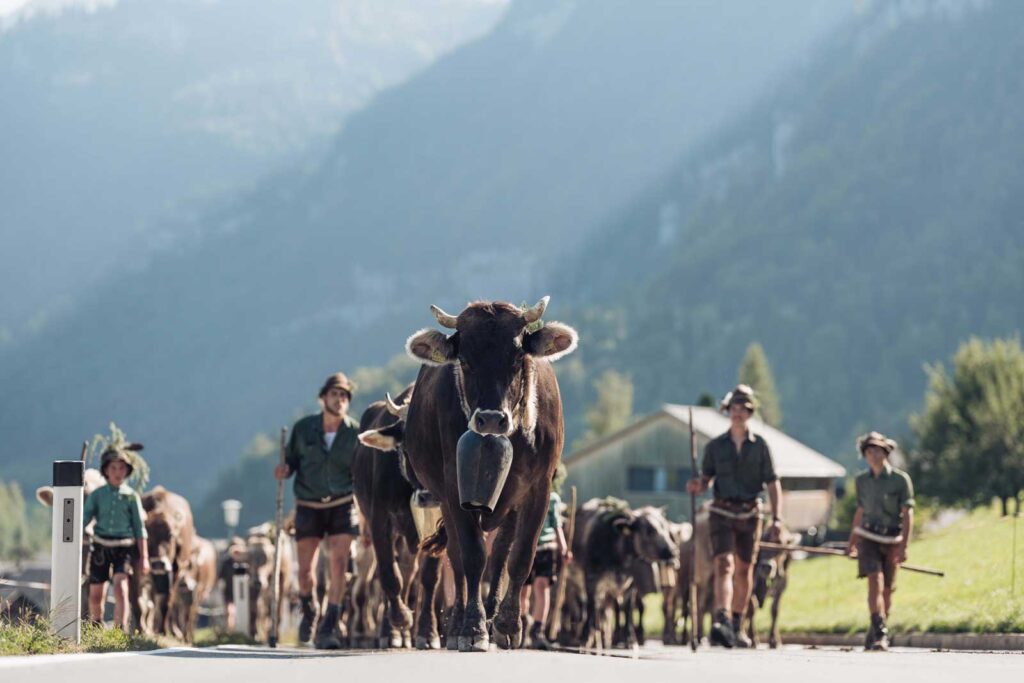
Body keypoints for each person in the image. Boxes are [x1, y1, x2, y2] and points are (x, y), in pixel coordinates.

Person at [687, 384, 783, 648]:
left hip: (751, 513)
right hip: (721, 512)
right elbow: (705, 479)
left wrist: (777, 518)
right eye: (734, 409)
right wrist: (698, 485)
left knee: (744, 568)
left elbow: (773, 484)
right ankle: (722, 619)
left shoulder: (760, 446)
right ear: (728, 412)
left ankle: (737, 624)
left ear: (750, 413)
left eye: (743, 409)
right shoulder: (716, 447)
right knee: (724, 564)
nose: (738, 413)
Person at [274, 372, 360, 649]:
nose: (339, 400)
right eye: (334, 394)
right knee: (305, 573)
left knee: (338, 564)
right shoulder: (303, 429)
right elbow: (290, 463)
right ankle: (309, 608)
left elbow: (360, 474)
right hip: (308, 505)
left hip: (342, 504)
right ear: (323, 398)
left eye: (344, 396)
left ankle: (329, 624)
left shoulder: (355, 433)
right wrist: (284, 470)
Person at [846, 431, 914, 651]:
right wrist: (852, 541)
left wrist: (904, 546)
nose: (873, 455)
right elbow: (860, 510)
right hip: (868, 537)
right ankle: (880, 632)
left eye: (877, 451)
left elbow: (907, 514)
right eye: (869, 451)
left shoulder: (900, 480)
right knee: (874, 580)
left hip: (892, 537)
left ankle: (876, 627)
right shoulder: (861, 481)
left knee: (887, 589)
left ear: (886, 453)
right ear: (864, 455)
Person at [82, 445, 150, 630]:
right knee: (96, 593)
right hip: (101, 546)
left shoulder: (131, 497)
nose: (117, 472)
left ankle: (120, 628)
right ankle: (96, 624)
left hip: (124, 547)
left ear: (127, 471)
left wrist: (144, 558)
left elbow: (139, 528)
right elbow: (84, 518)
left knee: (121, 586)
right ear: (106, 470)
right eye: (113, 468)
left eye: (121, 468)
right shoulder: (97, 496)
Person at [520, 466, 571, 650]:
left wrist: (564, 548)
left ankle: (537, 630)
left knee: (542, 587)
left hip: (547, 548)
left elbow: (557, 525)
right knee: (523, 592)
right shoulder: (524, 495)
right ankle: (522, 625)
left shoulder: (553, 499)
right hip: (527, 548)